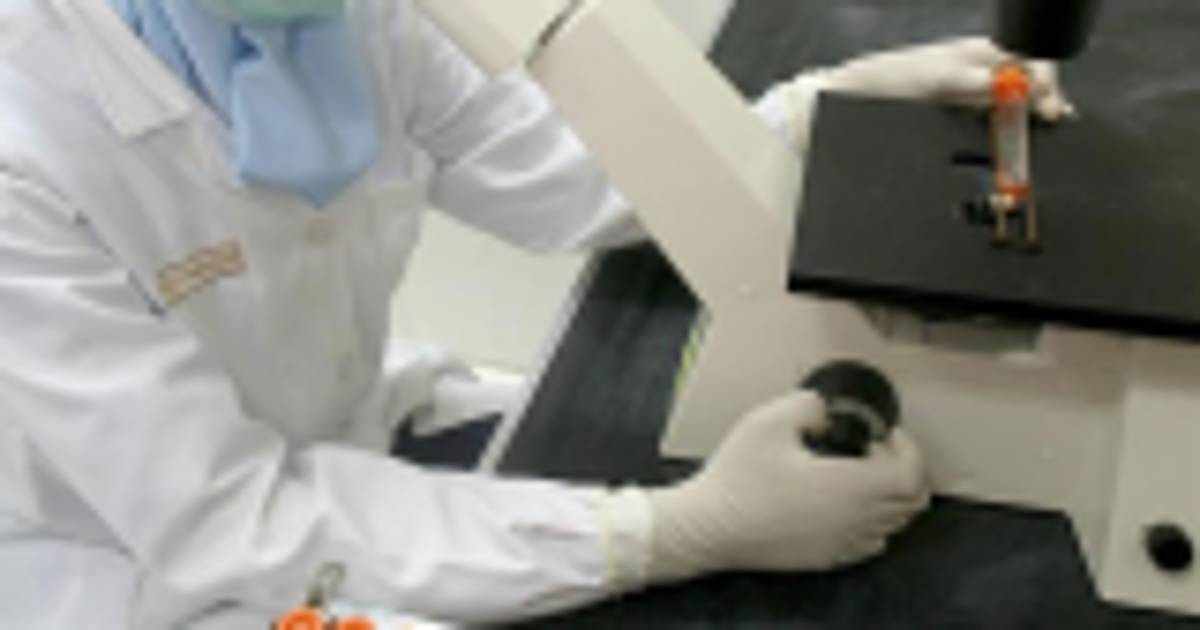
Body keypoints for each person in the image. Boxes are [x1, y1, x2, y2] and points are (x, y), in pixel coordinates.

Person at [0, 1, 1072, 628]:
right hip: (135, 568)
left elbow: (562, 177)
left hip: (349, 431)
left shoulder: (336, 20)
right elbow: (235, 519)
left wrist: (812, 112)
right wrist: (671, 533)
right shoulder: (23, 145)